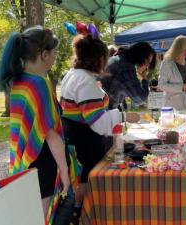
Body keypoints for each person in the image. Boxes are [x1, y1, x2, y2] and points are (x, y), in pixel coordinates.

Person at [60, 34, 139, 223]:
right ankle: (86, 215)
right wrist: (123, 115)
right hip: (87, 142)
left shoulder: (73, 74)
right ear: (99, 58)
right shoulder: (86, 82)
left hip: (78, 138)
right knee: (88, 181)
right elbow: (100, 123)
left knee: (84, 180)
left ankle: (80, 212)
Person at [0, 26, 70, 217]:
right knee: (40, 217)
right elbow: (51, 135)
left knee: (29, 216)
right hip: (43, 160)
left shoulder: (19, 82)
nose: (55, 57)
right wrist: (65, 171)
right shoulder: (39, 84)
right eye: (54, 52)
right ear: (44, 54)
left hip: (26, 161)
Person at [101, 42, 155, 110]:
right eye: (148, 62)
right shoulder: (125, 68)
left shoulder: (118, 59)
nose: (147, 66)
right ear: (142, 57)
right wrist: (144, 79)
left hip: (95, 106)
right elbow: (140, 99)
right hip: (99, 111)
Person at [158, 35, 186, 110]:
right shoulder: (167, 63)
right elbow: (161, 85)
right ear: (181, 48)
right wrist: (181, 87)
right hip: (174, 104)